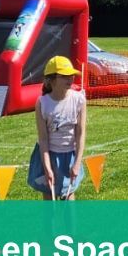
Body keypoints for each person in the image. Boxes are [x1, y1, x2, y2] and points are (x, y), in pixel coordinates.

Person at [27, 56, 86, 201]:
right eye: (64, 76)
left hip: (70, 155)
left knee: (69, 198)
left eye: (71, 75)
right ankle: (50, 225)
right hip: (48, 155)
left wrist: (77, 164)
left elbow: (80, 134)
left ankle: (71, 225)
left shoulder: (79, 100)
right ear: (51, 80)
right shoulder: (42, 103)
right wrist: (47, 168)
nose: (70, 79)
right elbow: (43, 139)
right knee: (49, 199)